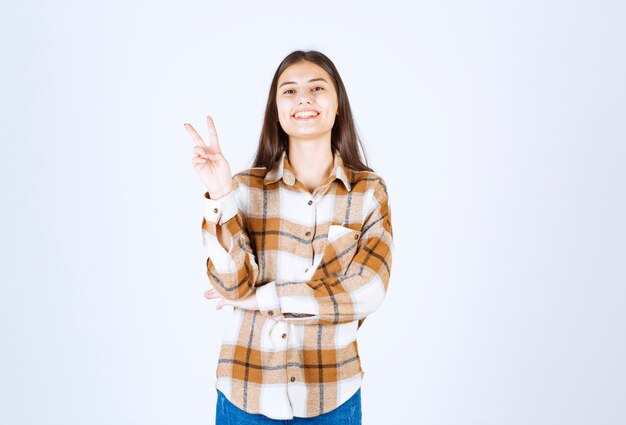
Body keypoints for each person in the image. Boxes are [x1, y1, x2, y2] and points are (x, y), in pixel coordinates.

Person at [184, 50, 394, 424]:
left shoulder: (368, 193)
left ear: (338, 104)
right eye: (290, 91)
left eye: (317, 87)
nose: (304, 98)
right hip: (246, 391)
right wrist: (219, 195)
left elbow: (368, 291)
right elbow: (233, 287)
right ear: (277, 111)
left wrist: (262, 298)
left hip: (332, 392)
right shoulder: (244, 190)